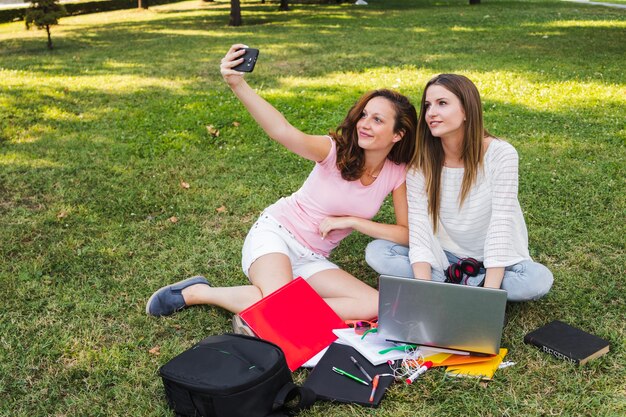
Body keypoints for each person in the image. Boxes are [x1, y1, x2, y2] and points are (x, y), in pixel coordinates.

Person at [146, 44, 417, 322]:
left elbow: (405, 233)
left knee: (372, 303)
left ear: (398, 134)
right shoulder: (333, 150)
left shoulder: (397, 173)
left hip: (313, 258)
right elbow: (281, 130)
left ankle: (277, 309)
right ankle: (199, 292)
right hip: (277, 235)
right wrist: (237, 84)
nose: (364, 124)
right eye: (364, 115)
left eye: (377, 119)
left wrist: (354, 222)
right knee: (283, 304)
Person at [365, 74, 553, 302]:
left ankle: (465, 285)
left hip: (495, 260)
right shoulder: (420, 166)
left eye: (442, 103)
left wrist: (489, 297)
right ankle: (456, 284)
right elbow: (421, 231)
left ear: (466, 110)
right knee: (378, 252)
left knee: (537, 279)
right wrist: (424, 290)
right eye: (427, 105)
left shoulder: (501, 154)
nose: (431, 113)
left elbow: (501, 225)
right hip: (445, 257)